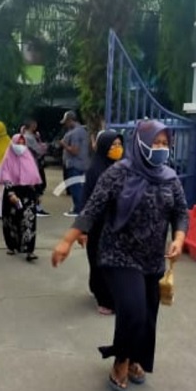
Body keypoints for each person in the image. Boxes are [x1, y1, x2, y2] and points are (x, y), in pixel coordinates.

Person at [51, 119, 189, 391]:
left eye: (164, 143)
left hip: (152, 258)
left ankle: (137, 358)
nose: (160, 148)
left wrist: (179, 238)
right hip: (119, 254)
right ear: (141, 143)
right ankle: (121, 360)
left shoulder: (169, 177)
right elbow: (93, 208)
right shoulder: (118, 173)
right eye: (155, 142)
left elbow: (180, 212)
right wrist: (67, 240)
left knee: (147, 315)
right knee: (133, 310)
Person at [82, 129, 124, 315]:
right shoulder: (95, 170)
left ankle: (104, 292)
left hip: (116, 224)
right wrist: (83, 229)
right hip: (99, 225)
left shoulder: (121, 168)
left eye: (119, 144)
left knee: (112, 263)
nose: (117, 148)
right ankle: (104, 299)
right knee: (100, 262)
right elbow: (87, 201)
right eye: (113, 145)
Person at [0, 133, 43, 262]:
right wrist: (11, 193)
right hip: (13, 193)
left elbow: (34, 176)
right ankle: (12, 246)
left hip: (28, 193)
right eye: (18, 143)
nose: (21, 146)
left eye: (23, 143)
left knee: (29, 220)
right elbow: (6, 176)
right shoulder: (8, 157)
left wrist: (38, 194)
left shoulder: (28, 157)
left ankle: (29, 250)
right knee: (12, 220)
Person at [59, 110, 90, 217]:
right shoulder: (83, 131)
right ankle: (79, 207)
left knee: (75, 188)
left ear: (70, 120)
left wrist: (64, 144)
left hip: (75, 164)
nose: (65, 125)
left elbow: (75, 150)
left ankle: (78, 209)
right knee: (79, 187)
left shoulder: (75, 133)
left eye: (66, 122)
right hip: (82, 163)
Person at [23, 119, 50, 217]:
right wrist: (44, 146)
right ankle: (36, 207)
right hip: (32, 165)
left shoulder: (28, 136)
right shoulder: (29, 137)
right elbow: (39, 150)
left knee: (35, 186)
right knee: (37, 186)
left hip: (31, 164)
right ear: (32, 125)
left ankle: (34, 206)